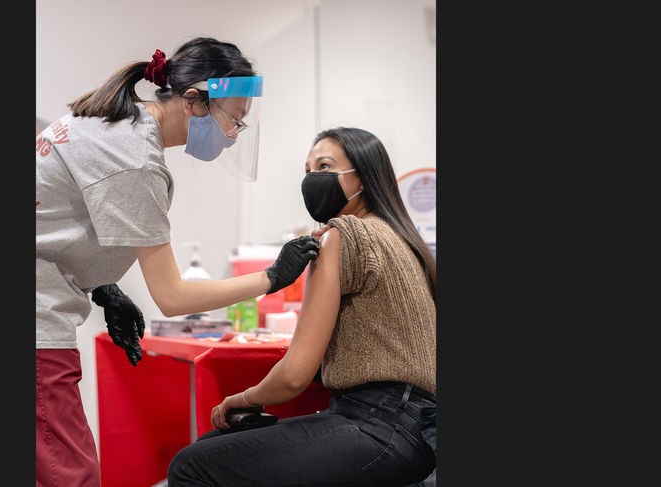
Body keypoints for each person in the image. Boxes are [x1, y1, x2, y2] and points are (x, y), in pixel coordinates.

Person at [35, 37, 320, 487]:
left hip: (45, 306)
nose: (233, 135)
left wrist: (102, 286)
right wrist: (270, 278)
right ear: (193, 100)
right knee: (68, 474)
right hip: (37, 326)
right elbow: (172, 297)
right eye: (234, 120)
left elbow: (56, 219)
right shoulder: (133, 159)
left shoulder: (112, 124)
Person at [167, 127, 437, 486]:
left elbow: (295, 374)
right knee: (217, 447)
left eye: (324, 166)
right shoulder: (405, 239)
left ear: (364, 176)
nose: (312, 179)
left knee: (192, 465)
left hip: (379, 426)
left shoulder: (343, 234)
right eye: (308, 170)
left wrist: (243, 399)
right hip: (415, 427)